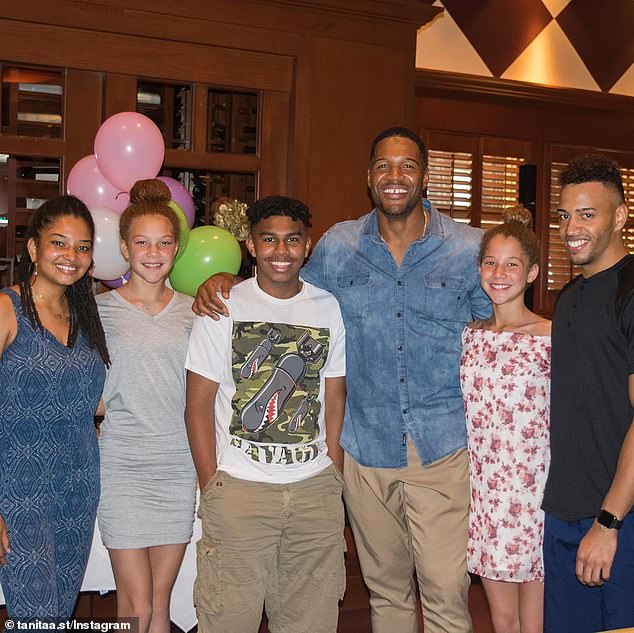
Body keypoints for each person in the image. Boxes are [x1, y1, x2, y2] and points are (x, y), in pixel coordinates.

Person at [193, 128, 491, 633]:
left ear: (423, 174)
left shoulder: (467, 248)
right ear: (368, 175)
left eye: (407, 165)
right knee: (387, 591)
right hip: (364, 445)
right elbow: (285, 290)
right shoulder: (338, 245)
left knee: (445, 590)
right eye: (383, 165)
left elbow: (497, 327)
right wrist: (227, 278)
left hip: (440, 446)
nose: (394, 176)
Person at [185, 195, 347, 633]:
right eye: (269, 240)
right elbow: (197, 404)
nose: (281, 251)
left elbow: (334, 398)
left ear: (307, 244)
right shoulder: (223, 305)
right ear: (251, 245)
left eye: (292, 240)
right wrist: (212, 483)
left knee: (310, 622)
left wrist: (333, 471)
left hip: (313, 490)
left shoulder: (327, 307)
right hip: (240, 491)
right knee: (227, 621)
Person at [0, 196, 109, 620]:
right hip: (18, 489)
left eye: (83, 247)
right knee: (36, 618)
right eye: (59, 243)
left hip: (78, 486)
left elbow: (92, 401)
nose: (72, 256)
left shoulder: (88, 316)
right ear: (33, 249)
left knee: (58, 614)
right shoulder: (8, 308)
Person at [96, 180, 196, 633]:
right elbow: (86, 390)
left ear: (177, 248)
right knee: (133, 608)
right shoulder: (98, 311)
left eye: (164, 243)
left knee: (159, 604)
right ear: (124, 247)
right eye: (142, 242)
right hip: (122, 467)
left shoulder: (200, 311)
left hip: (178, 466)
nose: (153, 253)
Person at [542, 154, 634, 632]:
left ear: (620, 216)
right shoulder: (569, 297)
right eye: (564, 215)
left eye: (587, 214)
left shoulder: (631, 289)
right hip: (562, 513)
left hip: (619, 517)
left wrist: (609, 522)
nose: (571, 227)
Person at [460, 206, 551, 633]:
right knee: (502, 620)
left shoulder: (552, 337)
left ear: (531, 273)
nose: (500, 272)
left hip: (538, 494)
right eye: (491, 262)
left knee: (534, 624)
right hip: (486, 495)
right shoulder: (471, 335)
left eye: (512, 263)